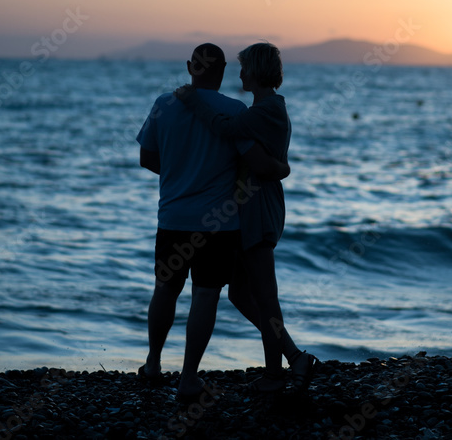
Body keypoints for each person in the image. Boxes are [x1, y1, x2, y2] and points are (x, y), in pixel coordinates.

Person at [135, 43, 290, 402]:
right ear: (221, 71)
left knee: (165, 290)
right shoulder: (235, 109)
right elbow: (253, 160)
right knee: (205, 296)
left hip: (173, 217)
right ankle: (189, 377)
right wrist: (282, 168)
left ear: (190, 66)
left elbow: (147, 158)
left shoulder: (163, 104)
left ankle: (154, 364)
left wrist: (178, 172)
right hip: (219, 223)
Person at [174, 42, 318, 394]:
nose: (239, 74)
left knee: (266, 297)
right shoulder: (265, 108)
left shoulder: (265, 111)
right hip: (248, 209)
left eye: (243, 69)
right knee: (240, 293)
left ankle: (283, 367)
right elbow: (264, 157)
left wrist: (192, 99)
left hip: (258, 210)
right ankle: (286, 358)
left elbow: (225, 127)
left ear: (255, 71)